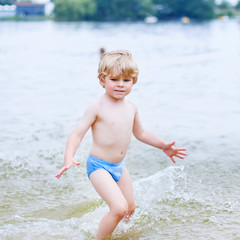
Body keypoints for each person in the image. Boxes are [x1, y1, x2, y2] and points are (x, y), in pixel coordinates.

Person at [55, 50, 187, 239]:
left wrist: (162, 145)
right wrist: (69, 157)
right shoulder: (97, 107)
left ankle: (121, 234)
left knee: (130, 209)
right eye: (114, 79)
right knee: (119, 208)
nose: (120, 84)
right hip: (98, 166)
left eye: (126, 80)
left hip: (119, 166)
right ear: (102, 80)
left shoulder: (132, 107)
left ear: (134, 81)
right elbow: (77, 134)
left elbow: (140, 133)